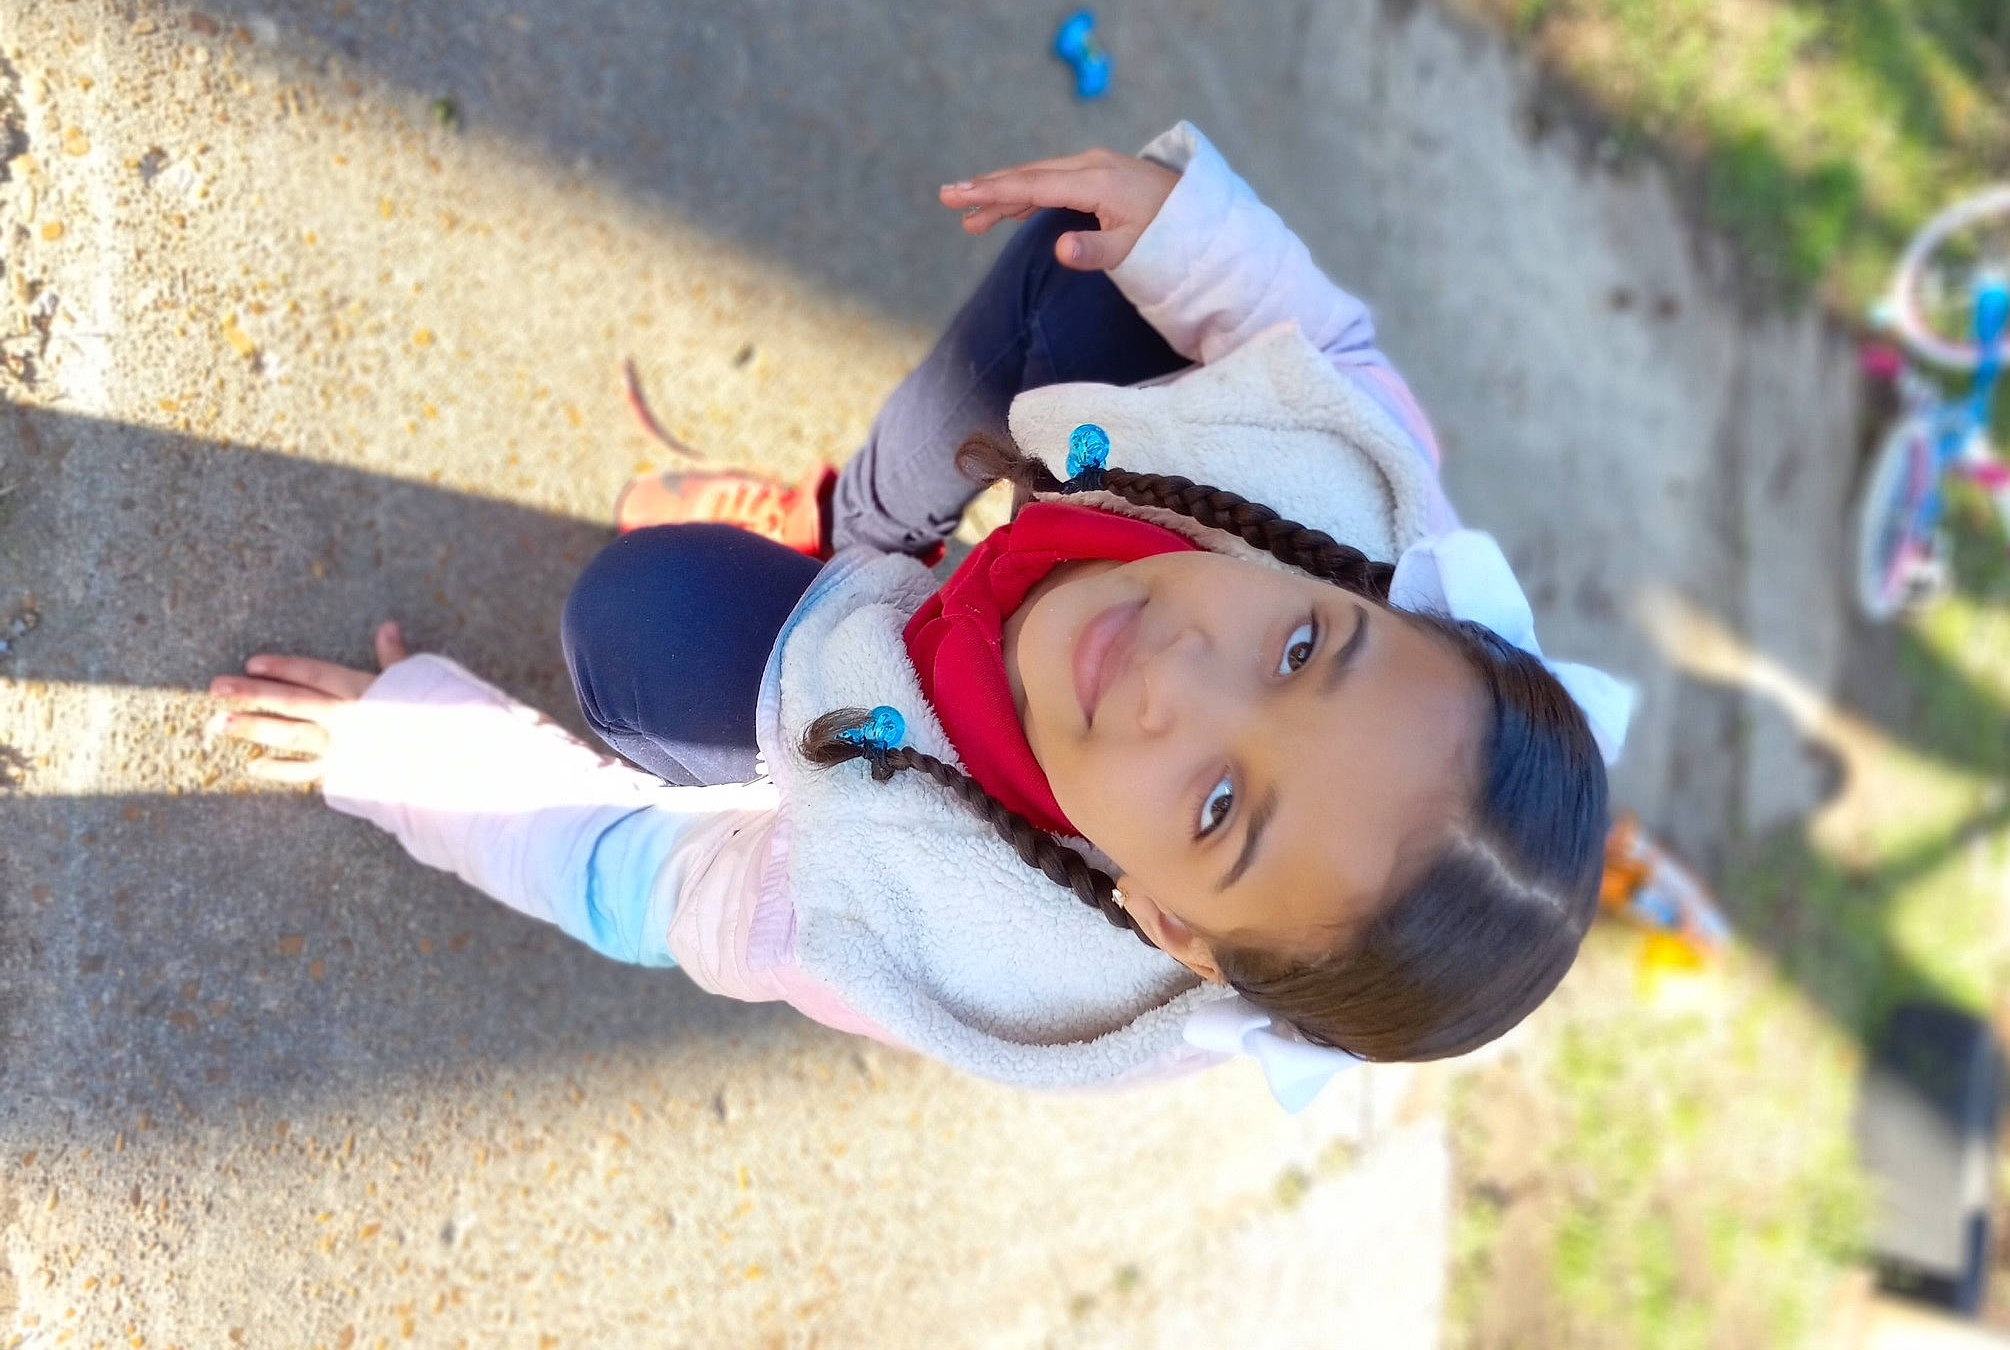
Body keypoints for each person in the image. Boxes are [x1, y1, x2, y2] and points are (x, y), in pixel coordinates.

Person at [207, 124, 1633, 1111]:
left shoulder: (970, 950)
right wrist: (1186, 232)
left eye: (1214, 807)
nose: (1178, 675)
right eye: (1306, 648)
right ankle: (850, 535)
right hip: (1046, 499)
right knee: (1098, 266)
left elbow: (653, 888)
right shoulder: (1357, 495)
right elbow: (1325, 347)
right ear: (1374, 589)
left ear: (1171, 927)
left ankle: (825, 607)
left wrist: (406, 755)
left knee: (636, 628)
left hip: (887, 715)